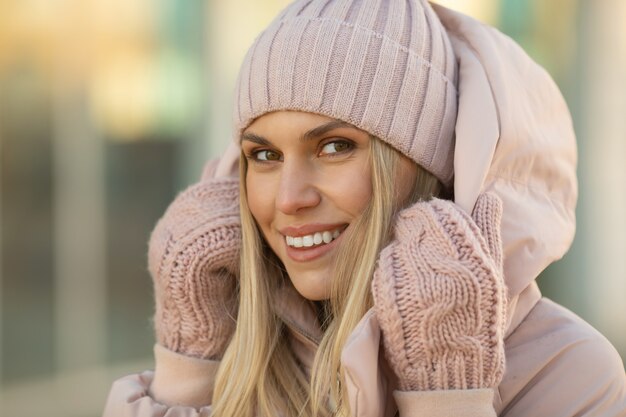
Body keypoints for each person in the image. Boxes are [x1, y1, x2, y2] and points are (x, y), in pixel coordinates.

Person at [103, 0, 626, 416]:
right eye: (264, 155)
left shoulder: (567, 372)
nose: (289, 198)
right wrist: (189, 362)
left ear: (426, 165)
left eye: (334, 147)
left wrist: (448, 398)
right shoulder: (248, 350)